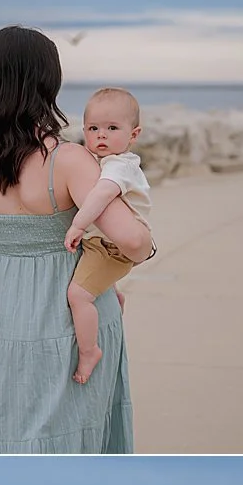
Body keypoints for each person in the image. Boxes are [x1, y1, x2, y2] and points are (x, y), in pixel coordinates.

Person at [0, 26, 149, 453]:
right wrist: (146, 244)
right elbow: (133, 241)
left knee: (5, 423)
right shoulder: (70, 159)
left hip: (3, 310)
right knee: (77, 430)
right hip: (73, 310)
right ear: (49, 83)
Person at [61, 86, 155, 387]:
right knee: (90, 280)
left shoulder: (120, 165)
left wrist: (77, 225)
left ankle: (89, 351)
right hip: (102, 244)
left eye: (112, 128)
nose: (101, 135)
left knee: (77, 296)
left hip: (112, 249)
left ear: (133, 134)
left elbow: (101, 194)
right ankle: (113, 295)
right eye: (93, 128)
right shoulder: (100, 160)